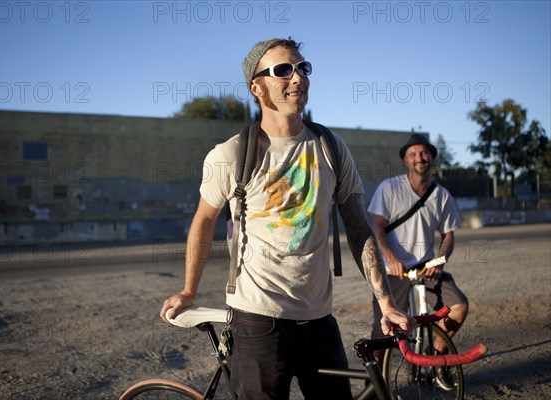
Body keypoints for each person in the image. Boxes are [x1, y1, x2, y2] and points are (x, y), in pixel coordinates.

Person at [160, 37, 412, 399]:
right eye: (283, 70)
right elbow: (204, 219)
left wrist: (386, 301)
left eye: (302, 67)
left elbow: (357, 226)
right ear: (257, 88)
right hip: (256, 321)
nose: (298, 78)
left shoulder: (331, 147)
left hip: (320, 319)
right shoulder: (230, 154)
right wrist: (188, 290)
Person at [367, 133, 469, 388]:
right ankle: (375, 384)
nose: (419, 158)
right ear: (405, 160)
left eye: (424, 153)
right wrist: (390, 258)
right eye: (413, 154)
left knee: (458, 307)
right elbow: (377, 227)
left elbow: (448, 235)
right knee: (385, 329)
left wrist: (440, 261)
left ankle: (436, 360)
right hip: (393, 269)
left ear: (432, 157)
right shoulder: (389, 188)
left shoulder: (441, 195)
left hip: (426, 268)